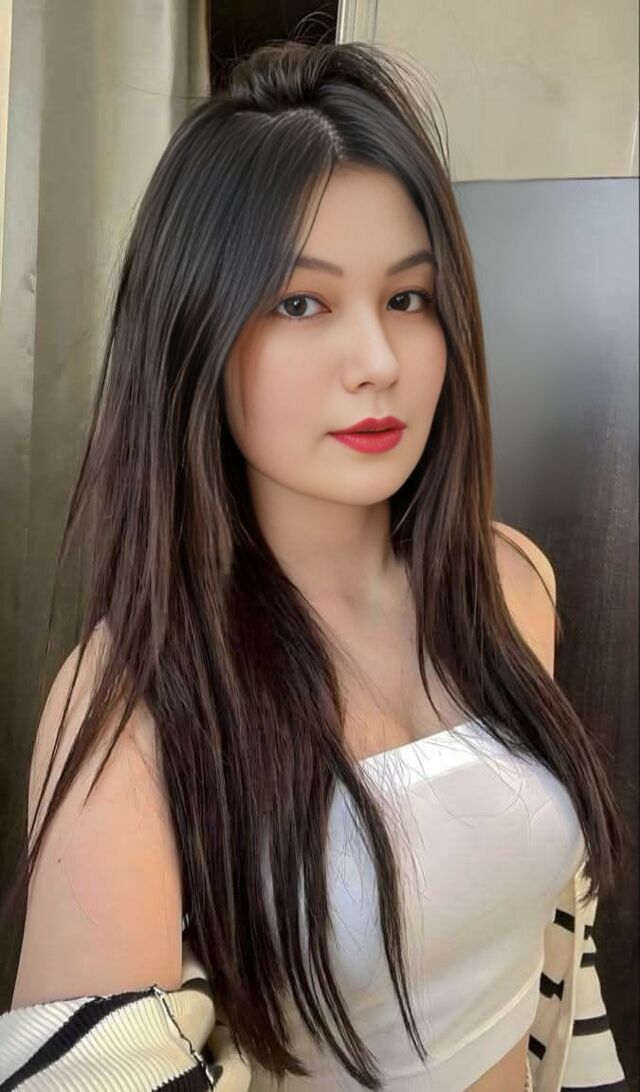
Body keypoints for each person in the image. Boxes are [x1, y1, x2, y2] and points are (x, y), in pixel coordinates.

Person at [0, 40, 629, 1092]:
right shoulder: (134, 703)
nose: (378, 362)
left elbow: (552, 948)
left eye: (409, 299)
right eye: (301, 304)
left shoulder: (509, 582)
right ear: (193, 335)